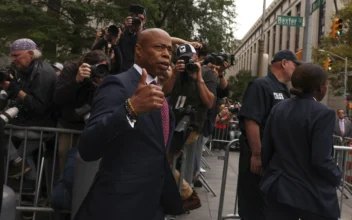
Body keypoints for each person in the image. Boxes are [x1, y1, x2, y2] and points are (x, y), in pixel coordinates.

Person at [73, 28, 184, 220]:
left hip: (150, 203)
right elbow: (88, 147)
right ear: (139, 50)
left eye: (169, 50)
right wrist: (130, 109)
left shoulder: (156, 88)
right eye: (159, 47)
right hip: (118, 205)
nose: (166, 53)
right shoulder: (117, 85)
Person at [260, 63, 341, 220]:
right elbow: (321, 159)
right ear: (319, 86)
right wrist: (337, 175)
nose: (326, 87)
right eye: (326, 84)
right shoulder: (323, 114)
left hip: (278, 189)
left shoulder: (279, 108)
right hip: (312, 195)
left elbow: (266, 149)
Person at [237, 50, 303, 220]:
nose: (296, 69)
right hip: (259, 158)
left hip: (275, 161)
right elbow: (252, 121)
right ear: (284, 63)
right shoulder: (261, 85)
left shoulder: (284, 89)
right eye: (295, 65)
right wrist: (257, 155)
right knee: (254, 207)